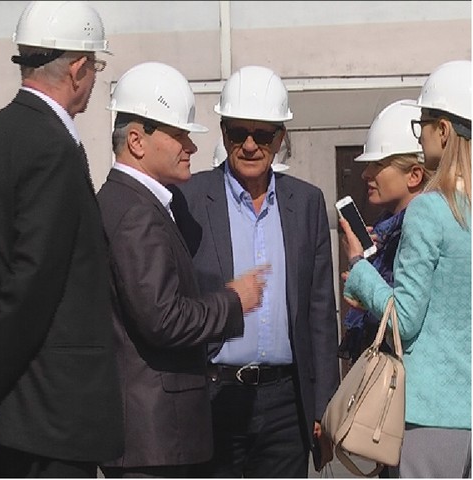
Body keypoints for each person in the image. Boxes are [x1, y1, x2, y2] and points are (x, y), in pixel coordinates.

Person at [0, 1, 124, 477]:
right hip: (51, 415)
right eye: (95, 68)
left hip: (8, 417)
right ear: (78, 68)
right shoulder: (53, 147)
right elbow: (33, 279)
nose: (93, 80)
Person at [97, 61, 268, 478]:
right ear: (136, 141)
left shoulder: (131, 202)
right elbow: (163, 319)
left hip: (153, 437)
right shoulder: (137, 212)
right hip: (156, 439)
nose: (190, 147)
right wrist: (233, 301)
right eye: (178, 135)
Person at [171, 65, 339, 478]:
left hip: (286, 404)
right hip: (213, 397)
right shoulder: (189, 199)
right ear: (223, 132)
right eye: (237, 133)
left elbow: (320, 312)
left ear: (280, 138)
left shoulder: (307, 203)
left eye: (262, 135)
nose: (249, 145)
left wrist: (325, 405)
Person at [341, 59, 471, 478]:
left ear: (443, 131)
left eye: (423, 124)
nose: (421, 134)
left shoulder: (431, 210)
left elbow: (405, 319)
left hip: (432, 413)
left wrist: (361, 270)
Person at [337, 100, 431, 365]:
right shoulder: (388, 231)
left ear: (414, 175)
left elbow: (404, 319)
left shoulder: (422, 230)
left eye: (378, 164)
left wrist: (358, 263)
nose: (366, 174)